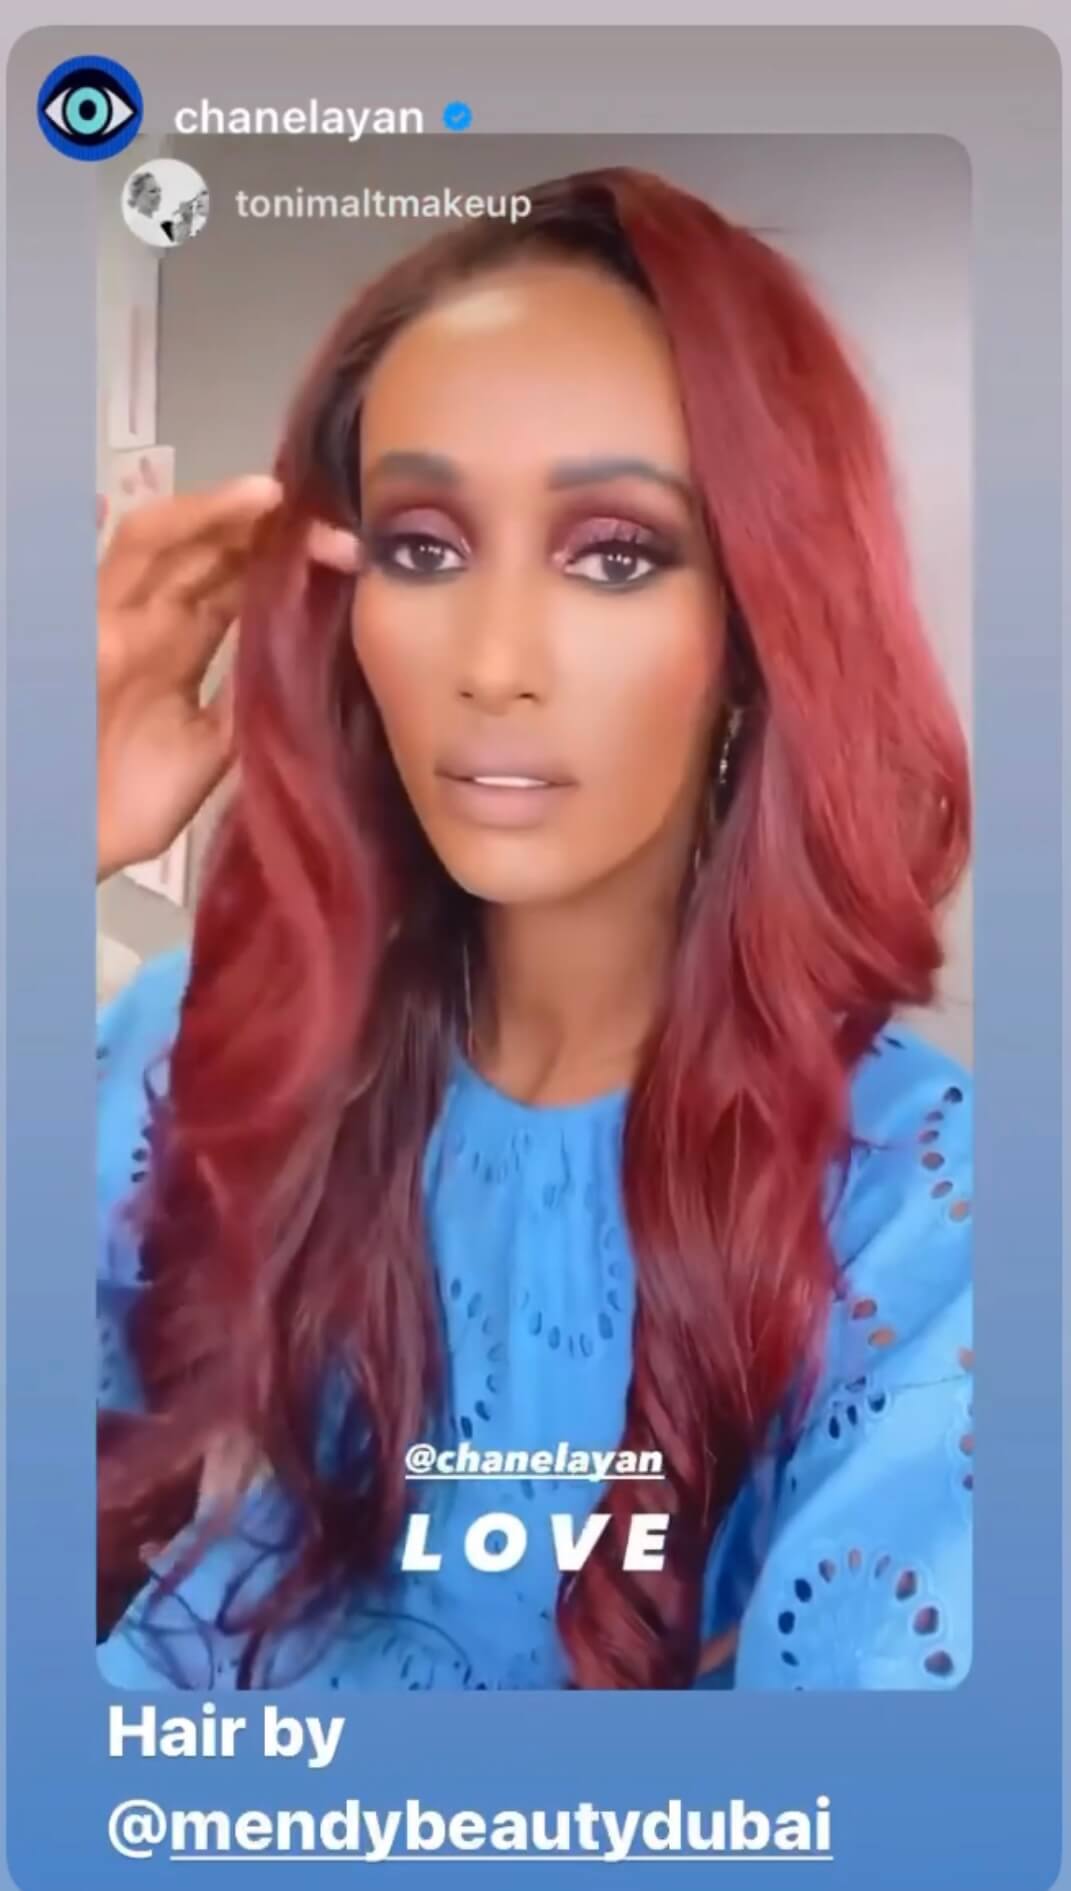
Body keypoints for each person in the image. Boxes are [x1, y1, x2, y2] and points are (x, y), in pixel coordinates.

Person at [96, 165, 973, 1692]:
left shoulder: (931, 1209)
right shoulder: (194, 1047)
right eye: (424, 547)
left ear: (757, 624)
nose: (493, 661)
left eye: (614, 554)